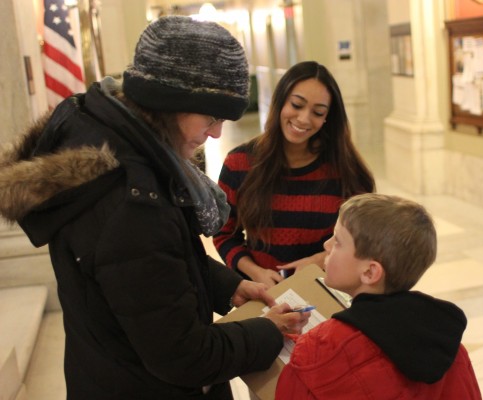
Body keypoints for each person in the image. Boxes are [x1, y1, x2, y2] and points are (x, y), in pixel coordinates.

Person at [0, 16, 309, 400]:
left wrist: (229, 286)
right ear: (170, 102)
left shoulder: (120, 147)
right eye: (211, 117)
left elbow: (156, 265)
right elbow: (184, 356)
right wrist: (268, 332)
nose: (215, 133)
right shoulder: (131, 205)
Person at [275, 193, 482, 399]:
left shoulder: (314, 354)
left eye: (338, 241)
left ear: (370, 273)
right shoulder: (447, 346)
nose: (326, 246)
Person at [213, 61, 375, 288]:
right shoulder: (240, 163)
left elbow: (366, 239)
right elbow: (224, 234)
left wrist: (320, 260)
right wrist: (256, 273)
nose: (303, 119)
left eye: (318, 112)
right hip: (261, 292)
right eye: (297, 105)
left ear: (328, 117)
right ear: (280, 101)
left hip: (326, 291)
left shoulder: (347, 171)